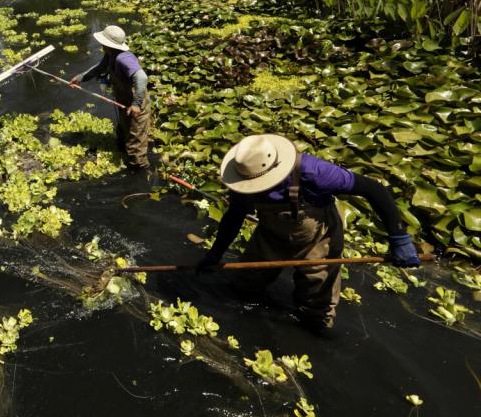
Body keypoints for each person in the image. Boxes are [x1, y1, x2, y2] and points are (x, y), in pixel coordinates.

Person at [196, 133, 421, 332]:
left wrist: (399, 237)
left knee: (316, 305)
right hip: (271, 235)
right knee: (244, 286)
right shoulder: (244, 180)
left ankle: (314, 327)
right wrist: (215, 254)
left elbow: (374, 189)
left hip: (317, 238)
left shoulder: (315, 172)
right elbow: (234, 216)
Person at [69, 25, 150, 170]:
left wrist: (137, 104)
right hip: (124, 103)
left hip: (135, 106)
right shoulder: (111, 54)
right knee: (122, 135)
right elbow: (99, 68)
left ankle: (140, 173)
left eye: (102, 42)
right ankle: (125, 158)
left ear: (107, 44)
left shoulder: (124, 58)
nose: (100, 44)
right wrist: (81, 77)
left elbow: (142, 77)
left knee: (135, 146)